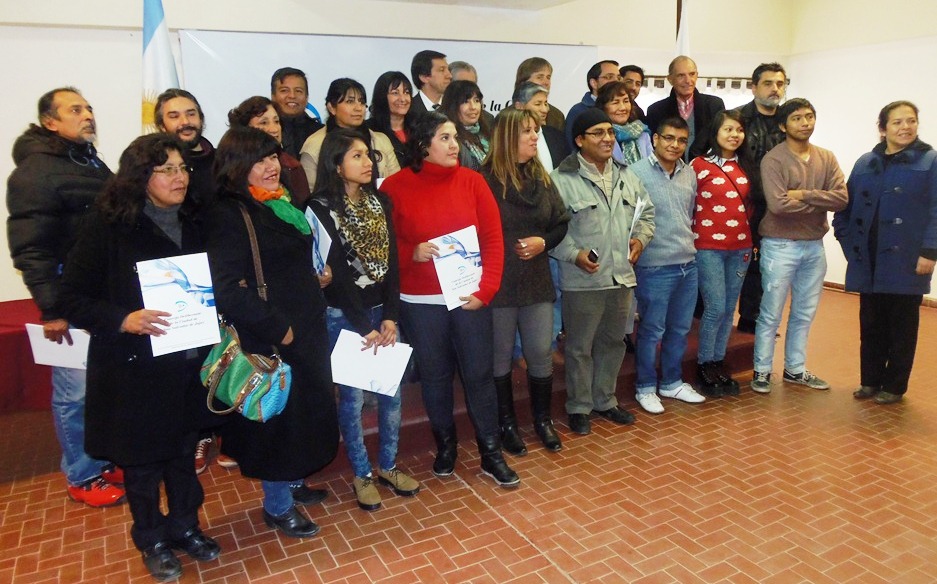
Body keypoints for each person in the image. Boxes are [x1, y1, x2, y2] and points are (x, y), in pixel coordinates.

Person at [57, 134, 221, 582]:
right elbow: (70, 297)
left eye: (183, 168)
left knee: (183, 455)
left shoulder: (195, 220)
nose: (179, 177)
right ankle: (151, 539)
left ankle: (185, 526)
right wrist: (123, 318)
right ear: (140, 176)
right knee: (143, 464)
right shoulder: (108, 225)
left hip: (188, 362)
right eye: (166, 169)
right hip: (135, 369)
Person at [205, 127, 339, 537]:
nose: (270, 166)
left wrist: (316, 277)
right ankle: (278, 506)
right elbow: (227, 288)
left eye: (272, 157)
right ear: (236, 166)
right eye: (258, 160)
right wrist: (278, 327)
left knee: (302, 413)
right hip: (272, 333)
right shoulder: (229, 212)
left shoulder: (281, 202)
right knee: (278, 419)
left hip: (307, 326)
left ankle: (294, 482)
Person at [381, 111, 519, 488]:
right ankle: (446, 446)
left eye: (455, 137)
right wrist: (410, 252)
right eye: (445, 137)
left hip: (468, 298)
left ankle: (491, 452)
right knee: (435, 377)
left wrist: (486, 290)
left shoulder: (473, 182)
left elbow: (493, 240)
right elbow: (384, 245)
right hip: (419, 302)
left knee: (479, 374)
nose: (455, 144)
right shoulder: (393, 187)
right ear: (422, 144)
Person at [6, 87, 125, 507]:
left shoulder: (89, 162)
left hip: (101, 295)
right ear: (50, 122)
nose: (87, 115)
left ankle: (103, 458)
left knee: (102, 385)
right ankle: (82, 474)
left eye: (88, 108)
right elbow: (31, 249)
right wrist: (52, 309)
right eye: (75, 110)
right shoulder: (34, 173)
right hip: (68, 300)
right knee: (74, 392)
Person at [309, 129, 421, 510]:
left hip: (381, 314)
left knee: (391, 394)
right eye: (356, 156)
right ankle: (362, 473)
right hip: (345, 316)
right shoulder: (319, 208)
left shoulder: (380, 201)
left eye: (368, 154)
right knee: (353, 400)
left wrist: (390, 316)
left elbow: (391, 264)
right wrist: (364, 326)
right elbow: (336, 275)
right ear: (335, 164)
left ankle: (388, 466)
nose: (367, 162)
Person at [549, 109, 654, 435]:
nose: (608, 138)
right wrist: (574, 255)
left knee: (613, 342)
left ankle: (605, 400)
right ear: (580, 140)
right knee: (580, 347)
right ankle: (579, 406)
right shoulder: (560, 180)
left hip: (621, 276)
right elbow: (550, 230)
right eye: (599, 133)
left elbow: (647, 214)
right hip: (583, 279)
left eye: (610, 132)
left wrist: (640, 239)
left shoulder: (627, 175)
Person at [834, 101, 937, 405]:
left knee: (902, 327)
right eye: (897, 122)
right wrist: (848, 243)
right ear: (882, 128)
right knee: (871, 324)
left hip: (908, 260)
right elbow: (844, 207)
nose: (906, 127)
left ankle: (894, 386)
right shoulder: (865, 162)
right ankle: (869, 381)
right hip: (869, 260)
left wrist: (930, 251)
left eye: (911, 121)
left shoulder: (930, 161)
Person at [481, 109, 570, 454]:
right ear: (507, 137)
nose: (535, 137)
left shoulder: (541, 176)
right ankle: (506, 425)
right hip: (498, 283)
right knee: (500, 357)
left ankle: (542, 421)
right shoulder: (483, 180)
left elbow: (561, 223)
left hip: (536, 280)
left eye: (536, 130)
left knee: (540, 352)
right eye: (527, 132)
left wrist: (543, 242)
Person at [752, 98, 848, 394]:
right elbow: (778, 206)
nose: (805, 123)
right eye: (797, 118)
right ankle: (762, 370)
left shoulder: (826, 157)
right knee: (771, 312)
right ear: (783, 126)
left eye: (809, 117)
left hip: (814, 246)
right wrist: (820, 202)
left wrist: (803, 194)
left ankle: (795, 369)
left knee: (805, 312)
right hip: (779, 245)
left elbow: (842, 199)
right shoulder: (773, 160)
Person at [628, 117, 707, 414]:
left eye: (681, 140)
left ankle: (672, 382)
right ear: (655, 139)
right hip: (654, 265)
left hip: (688, 263)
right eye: (669, 138)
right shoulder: (635, 173)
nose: (675, 145)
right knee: (651, 331)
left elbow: (688, 215)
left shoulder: (689, 173)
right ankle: (646, 387)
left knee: (680, 329)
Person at [690, 110, 754, 396]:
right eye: (728, 129)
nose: (734, 135)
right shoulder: (698, 165)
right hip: (708, 247)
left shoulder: (747, 166)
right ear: (715, 132)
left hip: (740, 246)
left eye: (739, 130)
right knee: (715, 306)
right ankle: (704, 364)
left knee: (729, 308)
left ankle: (718, 361)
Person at [733, 63, 788, 334]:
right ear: (754, 87)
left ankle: (756, 318)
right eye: (768, 83)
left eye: (780, 83)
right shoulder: (736, 119)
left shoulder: (789, 120)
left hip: (778, 204)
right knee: (742, 262)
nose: (775, 89)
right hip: (743, 202)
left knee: (770, 264)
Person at [299, 78, 400, 191]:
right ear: (332, 108)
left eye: (361, 102)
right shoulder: (314, 145)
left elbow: (397, 185)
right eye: (350, 101)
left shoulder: (380, 140)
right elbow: (310, 193)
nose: (358, 108)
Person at [228, 95, 310, 210]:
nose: (274, 129)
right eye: (264, 123)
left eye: (276, 121)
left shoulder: (293, 167)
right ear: (245, 129)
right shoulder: (233, 170)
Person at [646, 56, 726, 161]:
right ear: (670, 79)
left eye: (692, 74)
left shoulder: (714, 105)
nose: (688, 80)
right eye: (681, 75)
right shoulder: (656, 111)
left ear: (697, 75)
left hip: (707, 168)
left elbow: (722, 143)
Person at [154, 89, 216, 209]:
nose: (185, 122)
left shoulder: (225, 161)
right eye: (174, 116)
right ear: (161, 126)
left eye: (191, 114)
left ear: (201, 119)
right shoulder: (155, 165)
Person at [512, 81, 569, 171]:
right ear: (519, 106)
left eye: (545, 104)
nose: (545, 110)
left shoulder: (557, 136)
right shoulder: (509, 139)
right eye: (538, 104)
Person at [565, 60, 621, 149]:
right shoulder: (579, 111)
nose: (616, 81)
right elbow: (571, 148)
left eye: (618, 78)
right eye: (609, 77)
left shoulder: (625, 109)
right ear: (594, 83)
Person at [270, 67, 324, 159]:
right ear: (273, 96)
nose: (292, 96)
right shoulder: (264, 132)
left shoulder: (321, 134)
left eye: (298, 91)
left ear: (307, 97)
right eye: (284, 90)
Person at [594, 81, 652, 165]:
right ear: (603, 107)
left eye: (626, 101)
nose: (623, 108)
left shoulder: (642, 132)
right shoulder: (598, 136)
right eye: (615, 102)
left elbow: (652, 167)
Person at [440, 80, 492, 171]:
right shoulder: (449, 139)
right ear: (453, 106)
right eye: (465, 102)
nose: (473, 107)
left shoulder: (487, 130)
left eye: (476, 100)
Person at [367, 71, 415, 169]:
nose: (403, 99)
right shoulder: (369, 131)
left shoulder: (419, 127)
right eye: (395, 93)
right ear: (382, 97)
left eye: (406, 92)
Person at [514, 56, 566, 132]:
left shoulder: (557, 116)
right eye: (540, 77)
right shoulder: (506, 117)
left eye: (548, 77)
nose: (546, 82)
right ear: (524, 81)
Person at [409, 50, 452, 115]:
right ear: (424, 77)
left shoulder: (455, 108)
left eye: (448, 69)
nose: (449, 76)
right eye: (442, 70)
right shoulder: (407, 110)